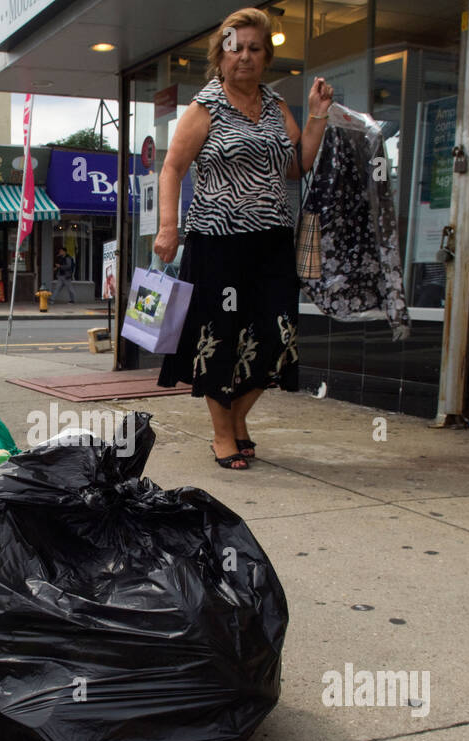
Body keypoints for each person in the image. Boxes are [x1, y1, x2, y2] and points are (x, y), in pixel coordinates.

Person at [154, 6, 333, 470]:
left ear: (266, 56)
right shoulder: (205, 107)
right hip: (217, 244)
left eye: (256, 49)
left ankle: (236, 417)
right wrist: (168, 227)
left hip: (272, 243)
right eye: (236, 49)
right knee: (220, 339)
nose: (246, 58)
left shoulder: (275, 106)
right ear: (221, 55)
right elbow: (172, 168)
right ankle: (222, 434)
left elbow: (297, 166)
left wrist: (315, 117)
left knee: (277, 334)